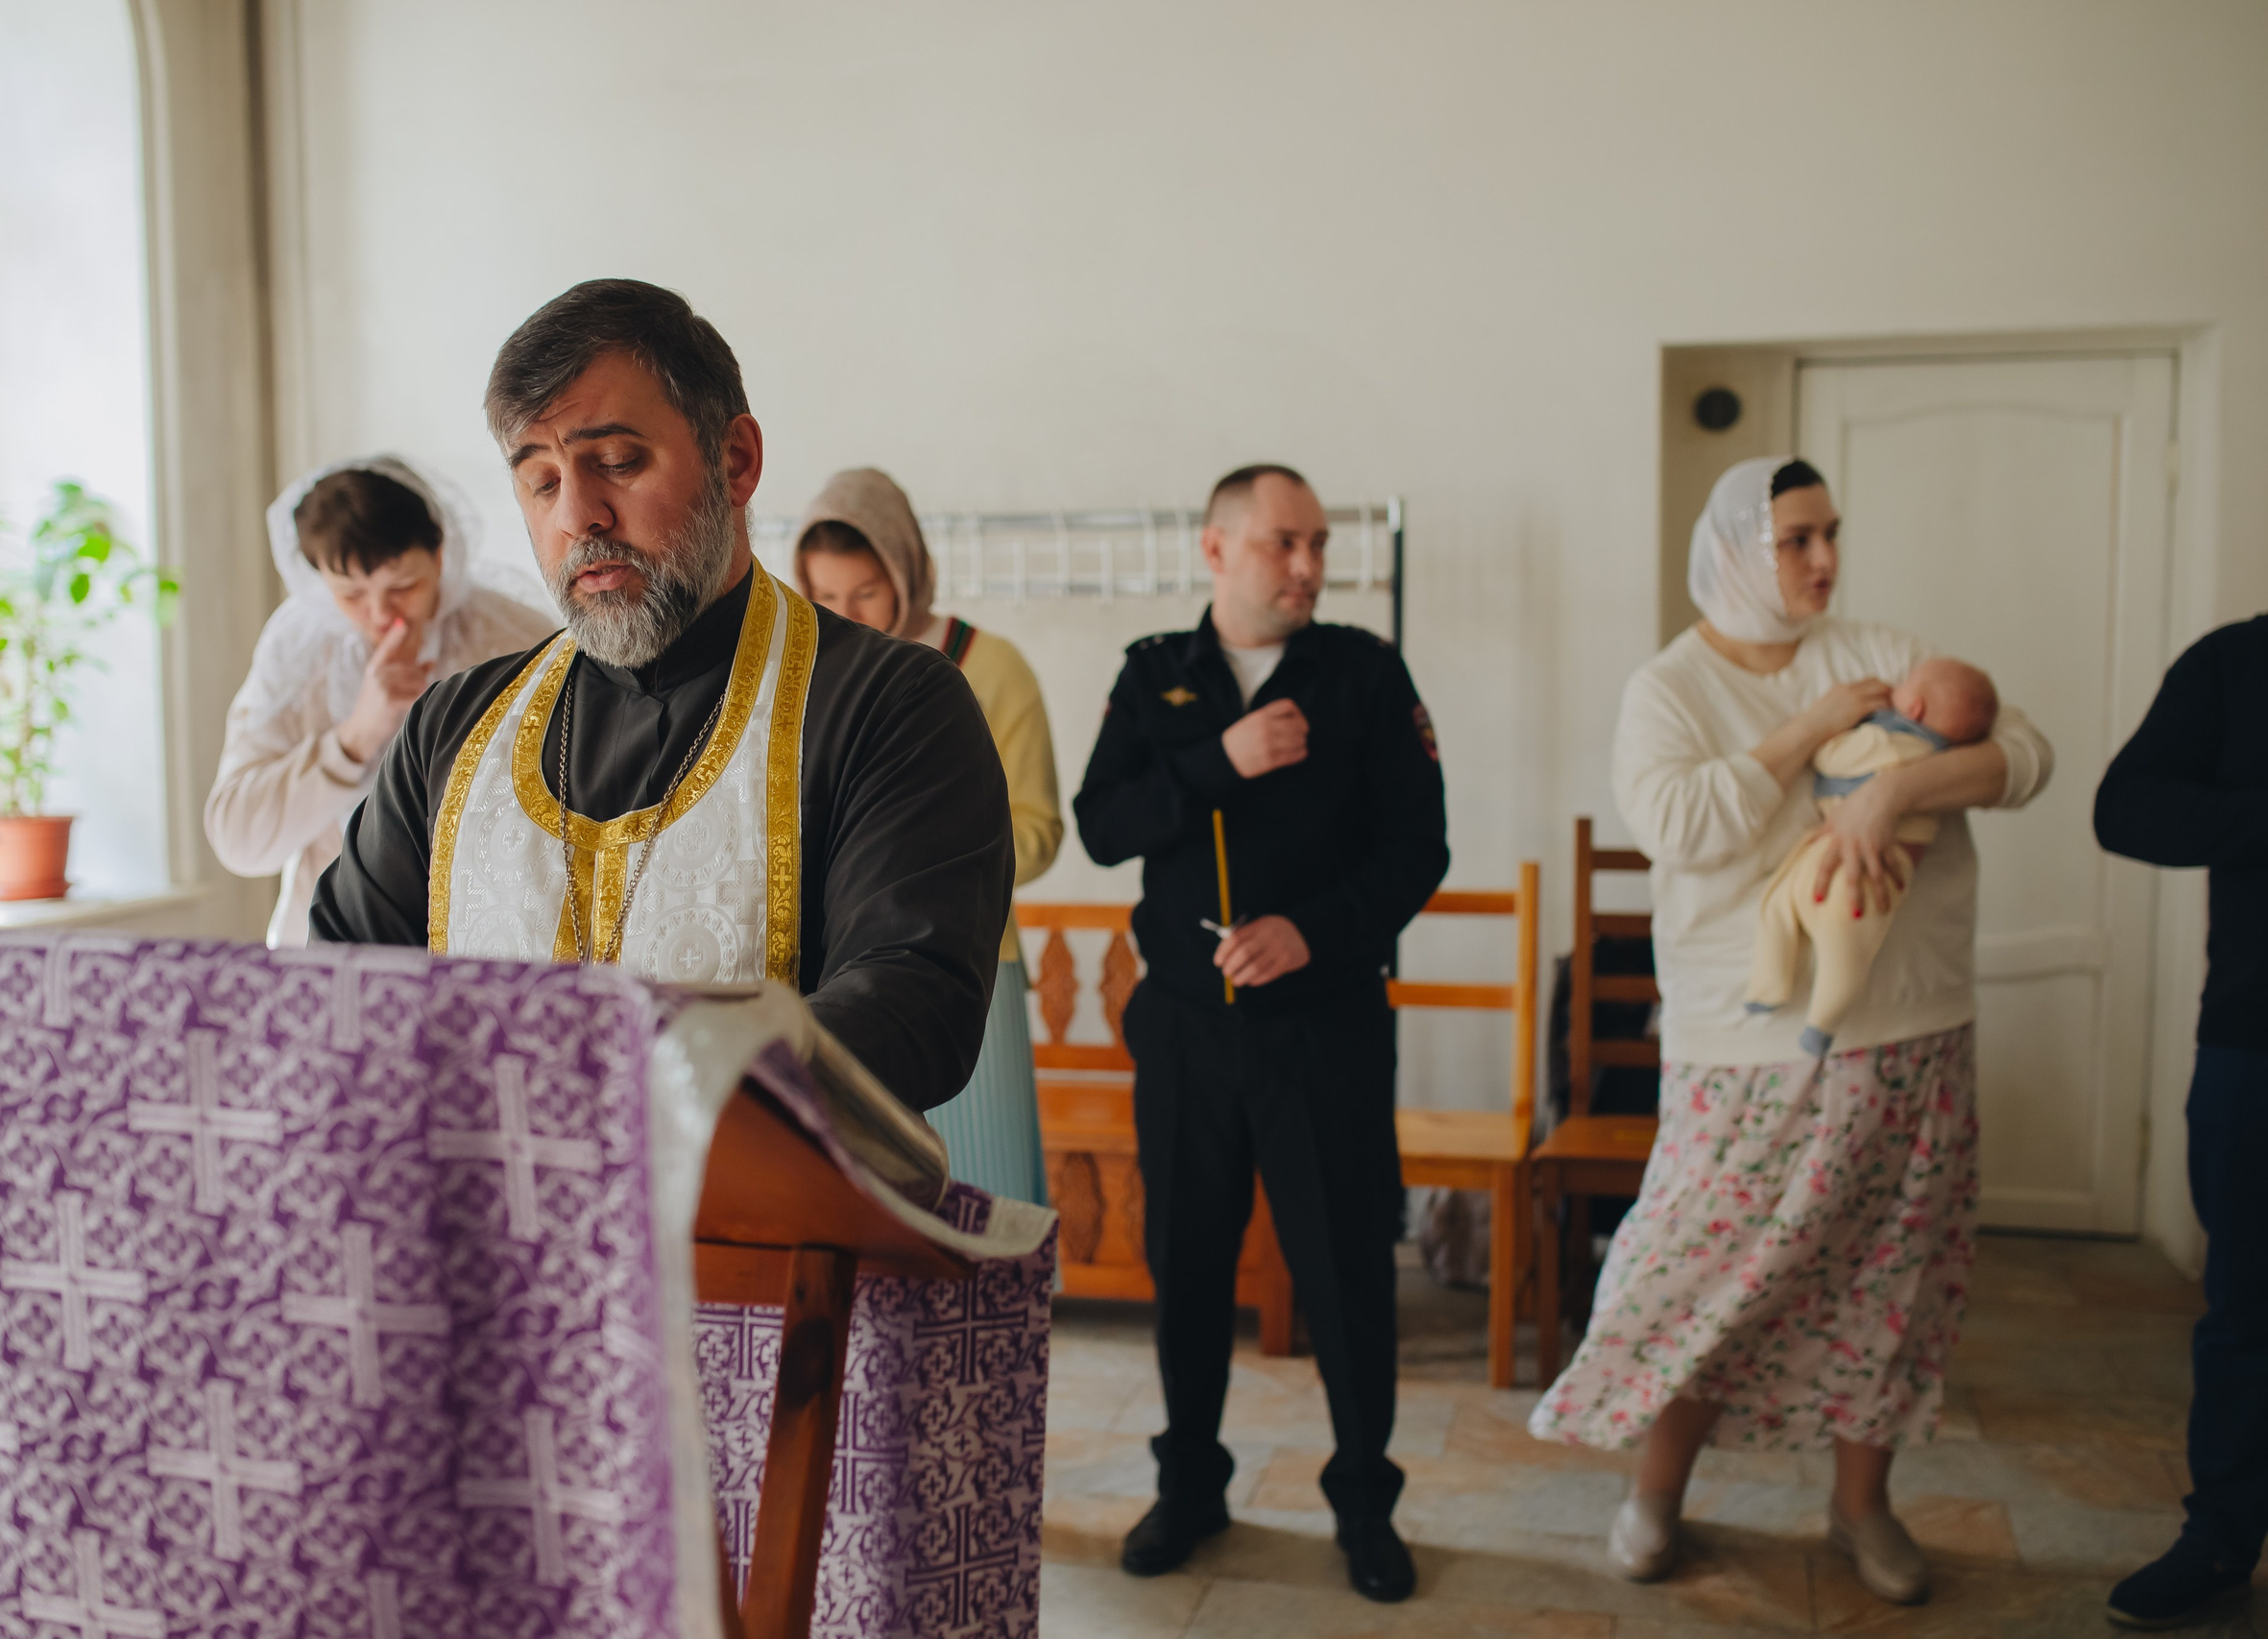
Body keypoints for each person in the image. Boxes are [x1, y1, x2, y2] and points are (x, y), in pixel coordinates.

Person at [1529, 457, 2052, 1606]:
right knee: (1707, 1277)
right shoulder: (1668, 686)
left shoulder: (1884, 647)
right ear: (1733, 550)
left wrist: (1891, 794)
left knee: (1894, 1278)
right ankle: (1656, 1492)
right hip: (1743, 1044)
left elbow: (2024, 758)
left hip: (1914, 1025)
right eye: (1793, 540)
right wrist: (1809, 728)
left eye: (1830, 535)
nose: (1822, 560)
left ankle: (1862, 1503)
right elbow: (1682, 825)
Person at [309, 279, 1014, 1114]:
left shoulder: (891, 706)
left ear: (736, 460)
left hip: (753, 1236)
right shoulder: (450, 729)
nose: (579, 514)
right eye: (540, 480)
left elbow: (911, 1004)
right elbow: (339, 988)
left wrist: (617, 1101)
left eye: (615, 462)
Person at [1074, 464, 1447, 1603]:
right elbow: (1100, 825)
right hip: (1186, 1031)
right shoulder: (1154, 677)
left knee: (1344, 1274)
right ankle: (1188, 1489)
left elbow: (1417, 850)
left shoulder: (1367, 676)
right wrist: (1214, 765)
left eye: (1319, 545)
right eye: (1285, 542)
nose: (1308, 567)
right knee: (1185, 1266)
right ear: (1217, 548)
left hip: (1323, 1026)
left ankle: (1364, 1505)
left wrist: (1312, 934)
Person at [791, 467, 1063, 1202]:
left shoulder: (992, 669)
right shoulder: (802, 676)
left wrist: (927, 850)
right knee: (863, 1191)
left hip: (971, 966)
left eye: (867, 593)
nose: (847, 615)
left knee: (981, 1188)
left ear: (908, 573)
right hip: (836, 970)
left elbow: (1038, 830)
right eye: (825, 597)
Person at [2094, 615, 2268, 1630]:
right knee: (2245, 1313)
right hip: (2254, 1042)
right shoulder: (2232, 664)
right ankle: (2219, 1543)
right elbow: (2125, 809)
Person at [205, 457, 554, 946]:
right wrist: (357, 735)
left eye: (403, 587)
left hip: (489, 940)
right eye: (350, 594)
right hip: (326, 947)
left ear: (439, 556)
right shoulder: (296, 652)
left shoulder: (517, 636)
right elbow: (238, 841)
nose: (380, 613)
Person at [1745, 657, 2001, 1054]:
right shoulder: (1939, 758)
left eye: (1904, 685)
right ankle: (1799, 1005)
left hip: (1862, 867)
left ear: (1913, 707)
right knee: (1835, 941)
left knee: (1824, 934)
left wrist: (1826, 731)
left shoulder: (1888, 741)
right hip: (1870, 860)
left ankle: (1798, 1004)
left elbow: (1833, 758)